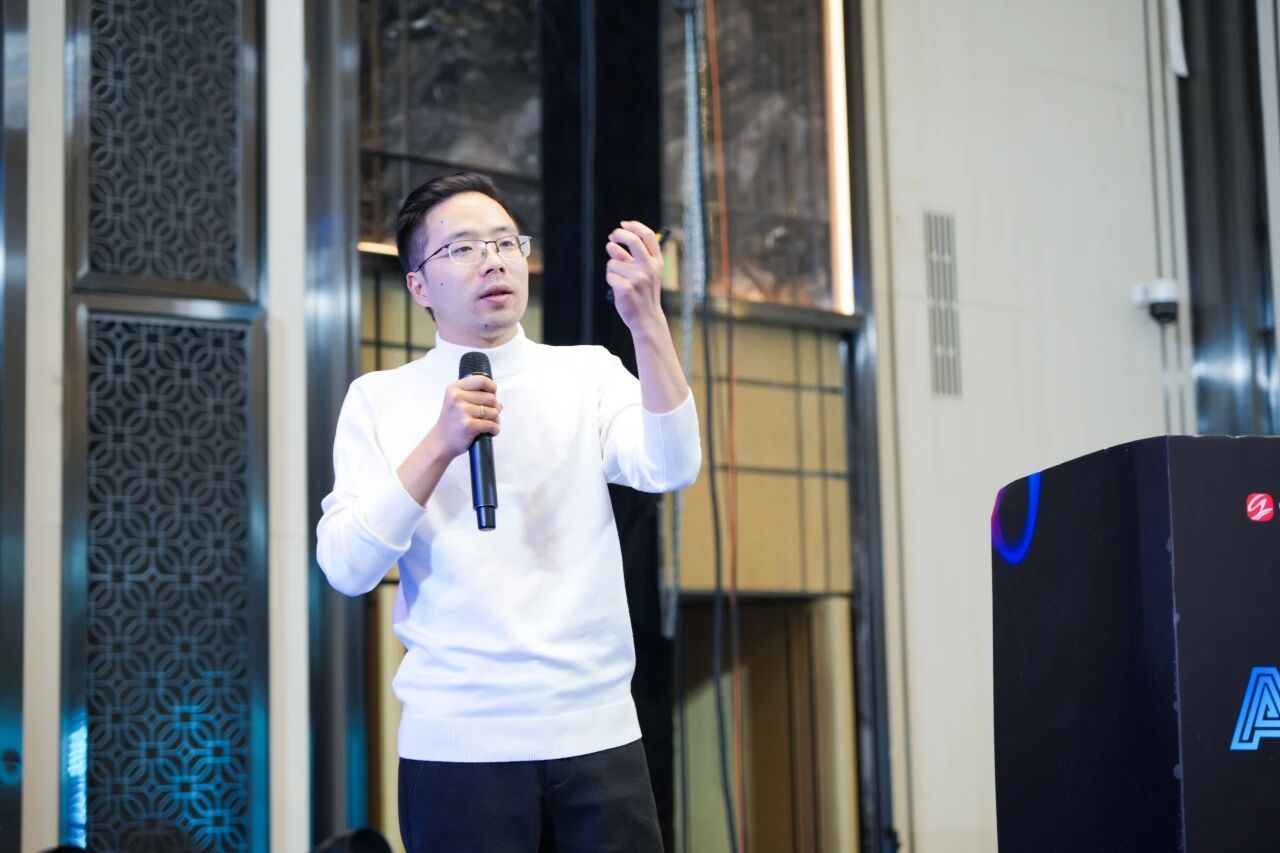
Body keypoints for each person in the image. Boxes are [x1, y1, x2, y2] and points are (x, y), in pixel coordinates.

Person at [316, 171, 701, 852]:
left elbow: (672, 466)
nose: (493, 260)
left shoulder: (587, 373)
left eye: (505, 242)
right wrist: (438, 445)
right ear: (418, 286)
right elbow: (347, 567)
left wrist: (647, 321)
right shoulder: (379, 398)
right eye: (463, 248)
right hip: (457, 744)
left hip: (598, 731)